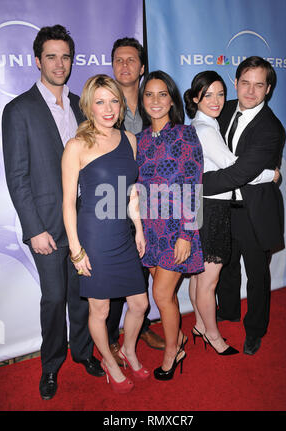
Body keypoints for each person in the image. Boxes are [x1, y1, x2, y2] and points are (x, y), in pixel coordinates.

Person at [2, 25, 104, 401]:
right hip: (46, 224)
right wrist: (34, 229)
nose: (59, 64)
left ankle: (83, 353)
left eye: (65, 56)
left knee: (82, 294)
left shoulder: (83, 106)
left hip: (85, 222)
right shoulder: (18, 110)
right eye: (51, 56)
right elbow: (17, 176)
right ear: (36, 61)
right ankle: (50, 366)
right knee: (53, 298)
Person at [62, 74, 149, 394]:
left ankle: (127, 349)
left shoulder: (130, 139)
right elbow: (68, 203)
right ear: (89, 106)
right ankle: (111, 364)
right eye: (100, 102)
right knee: (100, 309)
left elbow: (131, 193)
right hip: (94, 237)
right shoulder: (76, 145)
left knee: (139, 304)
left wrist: (138, 229)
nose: (108, 108)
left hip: (123, 235)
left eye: (114, 100)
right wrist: (75, 249)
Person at [184, 71, 279, 355]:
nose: (250, 91)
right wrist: (271, 175)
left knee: (256, 273)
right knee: (216, 274)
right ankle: (220, 317)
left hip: (252, 209)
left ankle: (254, 330)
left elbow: (237, 172)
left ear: (268, 88)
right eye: (245, 83)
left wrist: (198, 183)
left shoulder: (270, 128)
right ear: (236, 83)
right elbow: (231, 167)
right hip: (218, 207)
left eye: (258, 85)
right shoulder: (217, 114)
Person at [136, 70, 204, 380]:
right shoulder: (139, 140)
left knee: (161, 295)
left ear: (172, 99)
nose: (155, 100)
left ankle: (172, 352)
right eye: (149, 94)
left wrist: (187, 235)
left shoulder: (185, 135)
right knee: (167, 295)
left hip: (178, 230)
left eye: (162, 94)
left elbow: (194, 186)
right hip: (150, 231)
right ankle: (176, 339)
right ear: (142, 101)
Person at [107, 37, 165, 366]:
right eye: (119, 60)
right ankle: (113, 337)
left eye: (132, 60)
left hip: (151, 205)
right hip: (113, 204)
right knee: (115, 272)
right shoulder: (103, 107)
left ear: (142, 68)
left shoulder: (153, 105)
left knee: (141, 270)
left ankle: (139, 327)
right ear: (113, 65)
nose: (125, 66)